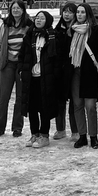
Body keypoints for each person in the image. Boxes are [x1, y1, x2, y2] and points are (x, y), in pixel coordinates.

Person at [18, 11, 65, 148]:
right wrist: (21, 69)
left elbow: (57, 58)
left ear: (47, 20)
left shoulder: (52, 36)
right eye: (36, 18)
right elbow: (22, 55)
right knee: (32, 107)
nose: (38, 20)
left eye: (42, 18)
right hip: (31, 77)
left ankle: (44, 135)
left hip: (46, 77)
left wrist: (55, 75)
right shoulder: (29, 35)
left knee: (45, 107)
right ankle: (35, 134)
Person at [0, 0, 32, 138]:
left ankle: (17, 127)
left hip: (22, 65)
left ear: (23, 10)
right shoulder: (5, 25)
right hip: (8, 64)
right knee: (4, 97)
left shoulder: (28, 25)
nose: (15, 10)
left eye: (18, 8)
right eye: (13, 8)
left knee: (20, 97)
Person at [68, 2, 98, 149]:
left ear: (88, 14)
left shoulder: (96, 30)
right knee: (77, 105)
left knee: (90, 106)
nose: (80, 15)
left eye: (83, 12)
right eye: (78, 12)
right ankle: (82, 136)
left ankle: (94, 136)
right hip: (75, 72)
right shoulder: (72, 30)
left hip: (89, 74)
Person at [54, 3, 79, 139]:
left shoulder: (78, 30)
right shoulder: (58, 29)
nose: (67, 14)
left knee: (74, 100)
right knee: (60, 100)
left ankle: (75, 130)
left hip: (73, 68)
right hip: (60, 69)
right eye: (65, 11)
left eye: (70, 12)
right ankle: (60, 129)